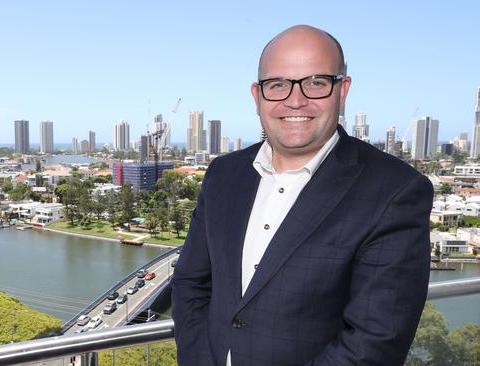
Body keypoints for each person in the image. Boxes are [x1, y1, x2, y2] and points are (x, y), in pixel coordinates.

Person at [171, 25, 433, 366]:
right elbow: (190, 283)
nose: (295, 100)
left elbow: (375, 341)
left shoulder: (394, 190)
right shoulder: (225, 173)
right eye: (277, 84)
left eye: (316, 82)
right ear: (257, 95)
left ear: (343, 89)